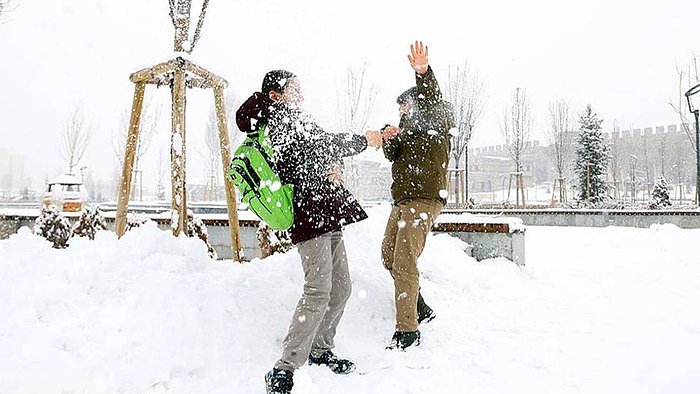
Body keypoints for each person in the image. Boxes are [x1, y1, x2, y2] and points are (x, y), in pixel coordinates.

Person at [236, 70, 383, 394]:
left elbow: (321, 151)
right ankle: (283, 368)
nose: (301, 95)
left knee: (341, 287)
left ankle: (320, 350)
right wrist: (365, 140)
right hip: (309, 214)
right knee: (318, 290)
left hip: (326, 212)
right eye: (294, 89)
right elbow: (324, 144)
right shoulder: (279, 118)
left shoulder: (296, 118)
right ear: (276, 95)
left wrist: (336, 168)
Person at [380, 41, 455, 350]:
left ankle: (408, 330)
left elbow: (432, 98)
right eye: (399, 108)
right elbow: (392, 155)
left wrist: (422, 72)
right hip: (403, 201)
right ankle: (419, 305)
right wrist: (388, 137)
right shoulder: (407, 132)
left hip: (424, 200)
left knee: (404, 261)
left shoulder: (435, 119)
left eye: (406, 106)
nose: (402, 111)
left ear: (418, 103)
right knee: (389, 255)